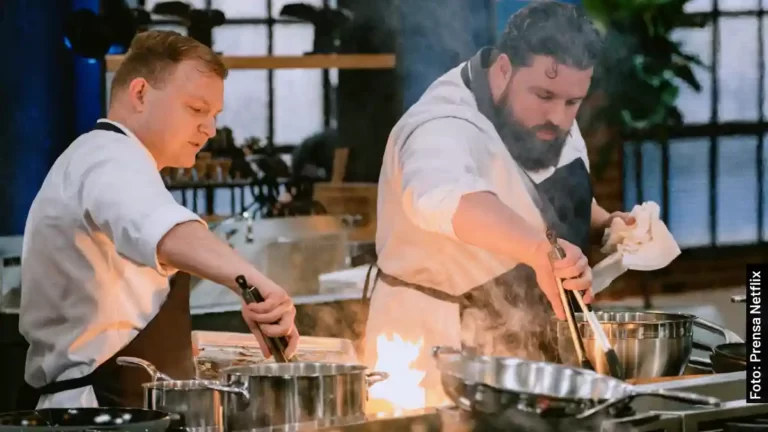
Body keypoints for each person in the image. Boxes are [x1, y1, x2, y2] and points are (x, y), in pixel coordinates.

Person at [362, 1, 635, 403]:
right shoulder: (440, 125)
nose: (559, 117)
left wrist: (607, 224)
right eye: (544, 95)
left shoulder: (545, 113)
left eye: (572, 103)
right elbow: (449, 198)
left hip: (527, 350)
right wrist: (540, 251)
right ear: (504, 69)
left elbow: (545, 195)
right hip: (433, 359)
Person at [17, 30, 299, 410]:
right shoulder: (107, 156)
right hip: (98, 411)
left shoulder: (115, 160)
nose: (210, 129)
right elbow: (163, 229)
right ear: (140, 94)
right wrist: (256, 284)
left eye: (214, 116)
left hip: (121, 402)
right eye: (196, 109)